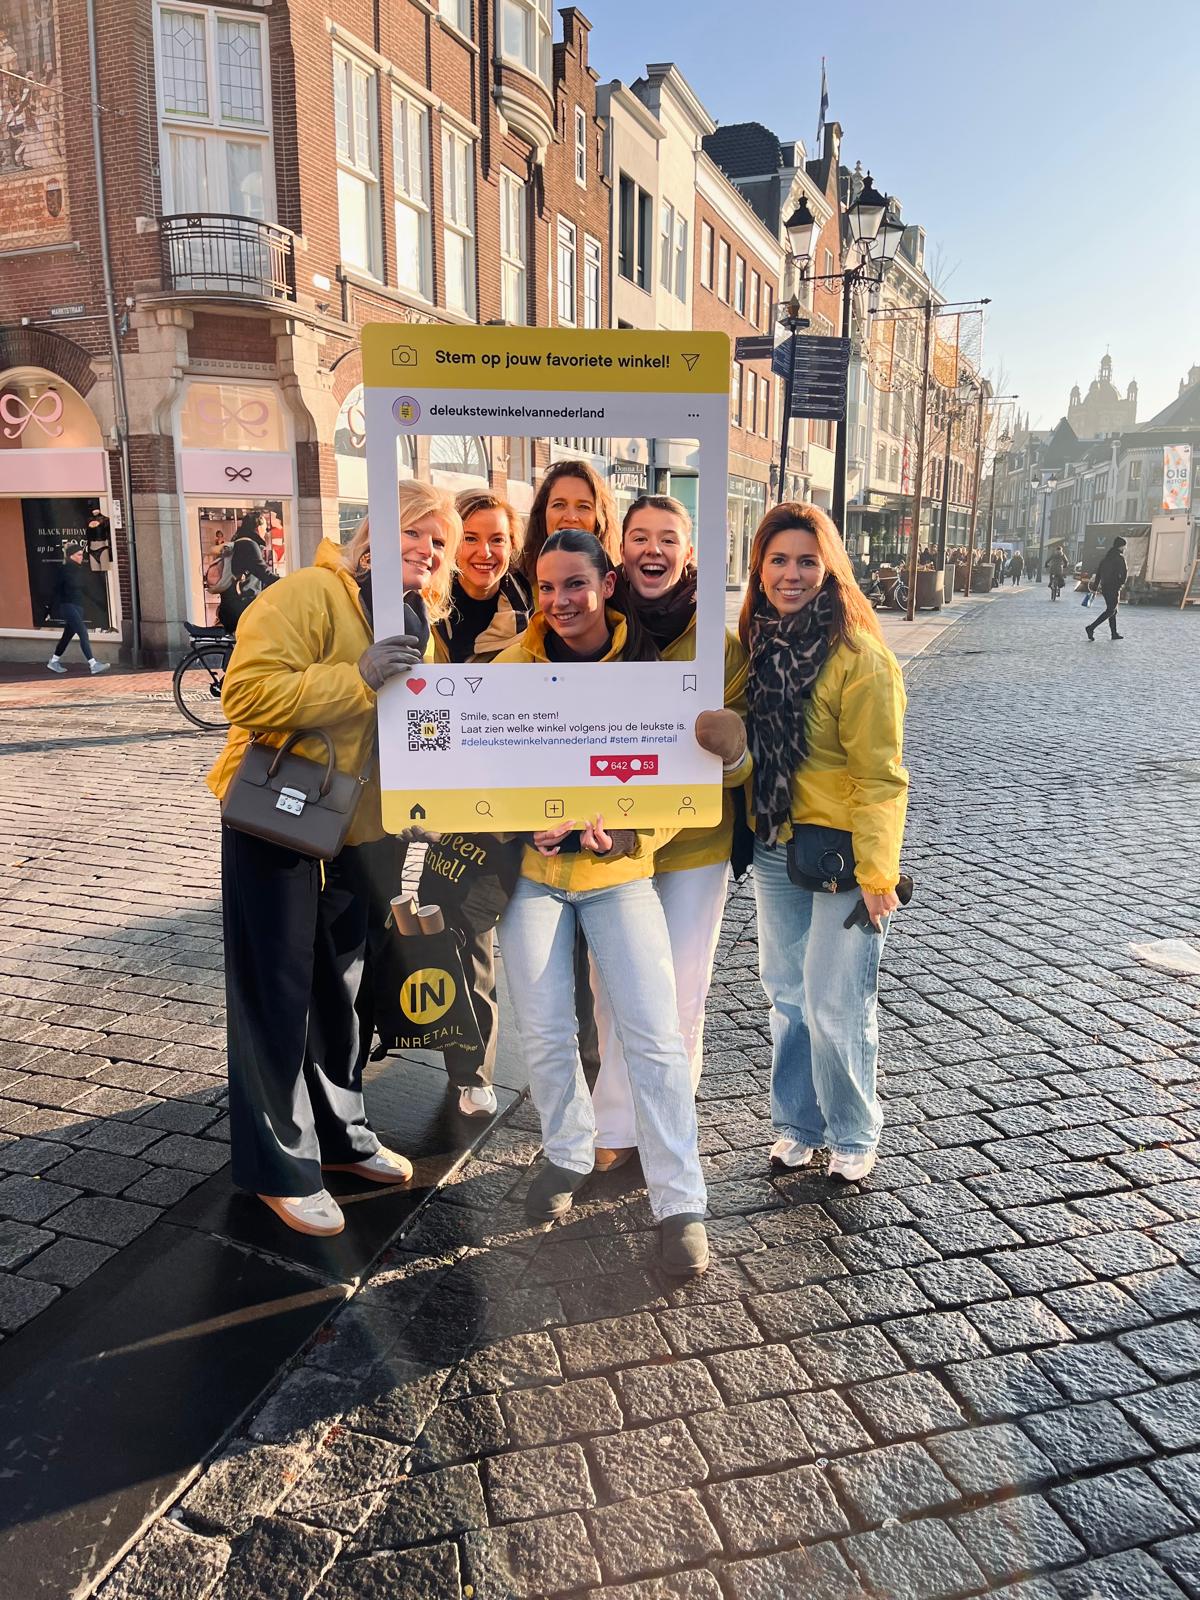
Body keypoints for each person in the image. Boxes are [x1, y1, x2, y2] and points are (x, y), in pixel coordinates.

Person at [206, 492, 455, 1238]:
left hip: (363, 831)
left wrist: (433, 808)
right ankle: (279, 1166)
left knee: (340, 990)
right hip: (280, 813)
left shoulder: (420, 623)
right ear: (373, 531)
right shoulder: (310, 592)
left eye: (440, 542)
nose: (430, 550)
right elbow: (245, 695)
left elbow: (417, 733)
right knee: (274, 989)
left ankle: (341, 1137)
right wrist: (357, 677)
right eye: (416, 531)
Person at [495, 529, 712, 1277]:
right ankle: (565, 1152)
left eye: (576, 585)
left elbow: (686, 785)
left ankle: (680, 1199)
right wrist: (518, 817)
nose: (561, 601)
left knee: (654, 1033)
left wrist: (629, 829)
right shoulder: (507, 669)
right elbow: (476, 774)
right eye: (548, 587)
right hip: (533, 874)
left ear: (607, 585)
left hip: (620, 875)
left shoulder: (651, 671)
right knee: (546, 1027)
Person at [741, 503, 908, 1185]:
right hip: (776, 841)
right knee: (785, 992)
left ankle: (853, 1128)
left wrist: (879, 873)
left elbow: (880, 775)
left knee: (836, 1002)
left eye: (807, 560)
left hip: (841, 852)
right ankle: (799, 1124)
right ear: (759, 568)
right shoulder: (759, 643)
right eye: (778, 559)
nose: (791, 573)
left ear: (830, 566)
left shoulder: (861, 657)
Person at [589, 495, 750, 1173]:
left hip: (690, 847)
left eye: (668, 538)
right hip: (608, 840)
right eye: (639, 536)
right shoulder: (593, 628)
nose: (652, 549)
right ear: (620, 549)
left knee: (680, 990)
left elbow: (735, 767)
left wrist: (735, 750)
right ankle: (615, 1124)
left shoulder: (720, 646)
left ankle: (663, 1127)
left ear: (689, 554)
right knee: (609, 989)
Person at [434, 490, 530, 663]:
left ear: (512, 545)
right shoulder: (424, 608)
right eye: (470, 539)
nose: (484, 553)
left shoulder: (535, 615)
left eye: (497, 540)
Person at [519, 459, 620, 577]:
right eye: (559, 505)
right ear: (542, 513)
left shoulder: (621, 587)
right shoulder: (517, 586)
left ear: (600, 519)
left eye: (583, 506)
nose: (571, 517)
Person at [46, 545, 110, 675]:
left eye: (82, 554)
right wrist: (49, 608)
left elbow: (85, 590)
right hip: (67, 605)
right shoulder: (64, 570)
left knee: (67, 636)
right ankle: (93, 664)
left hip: (77, 606)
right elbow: (55, 589)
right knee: (83, 632)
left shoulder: (80, 570)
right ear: (71, 556)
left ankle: (53, 661)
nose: (82, 557)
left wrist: (98, 603)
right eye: (79, 555)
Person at [217, 510, 278, 634]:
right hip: (241, 607)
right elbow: (264, 574)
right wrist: (289, 582)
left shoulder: (239, 542)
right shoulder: (248, 545)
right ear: (257, 527)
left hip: (232, 606)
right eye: (265, 528)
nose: (266, 532)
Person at [1086, 535, 1128, 642]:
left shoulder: (1106, 557)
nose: (1125, 548)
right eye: (1124, 546)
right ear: (1121, 546)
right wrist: (1121, 584)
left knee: (1113, 609)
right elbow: (1124, 573)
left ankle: (1114, 633)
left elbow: (1099, 572)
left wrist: (1095, 586)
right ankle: (1091, 627)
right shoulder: (1119, 558)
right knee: (1111, 610)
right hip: (1114, 587)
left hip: (1105, 587)